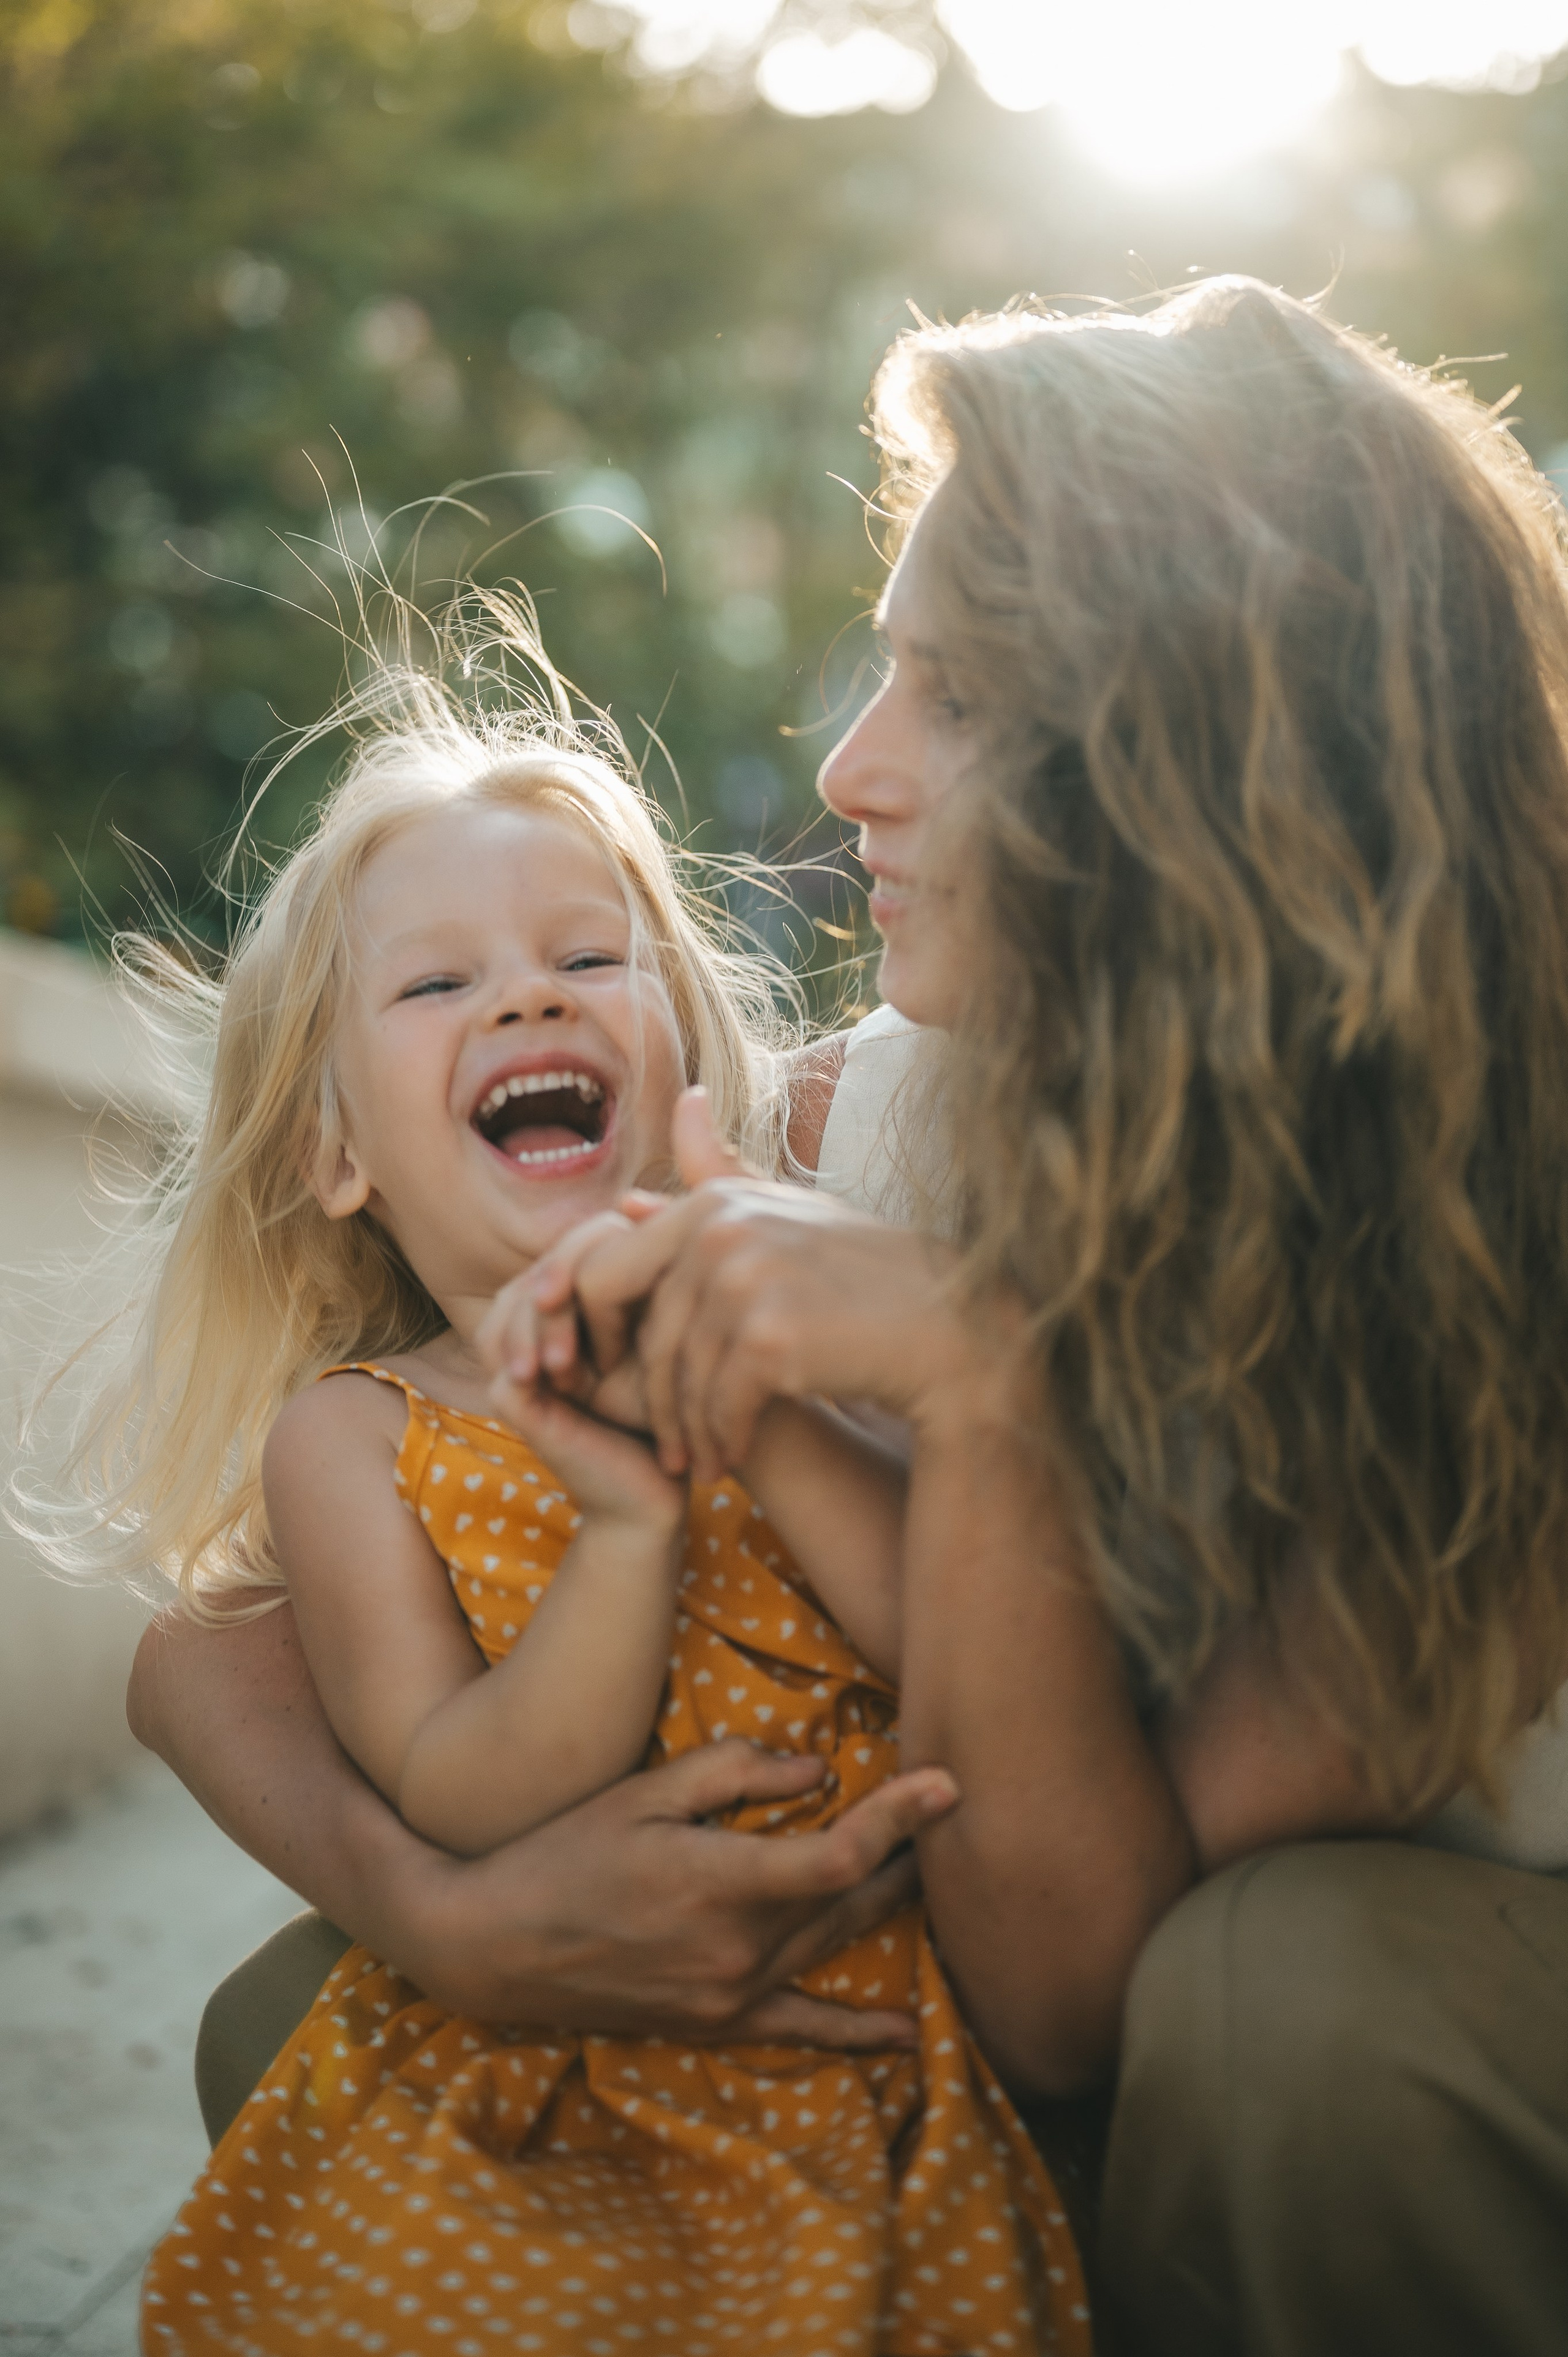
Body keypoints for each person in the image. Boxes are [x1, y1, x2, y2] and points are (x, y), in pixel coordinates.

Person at [128, 274, 1568, 2356]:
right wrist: (451, 1906)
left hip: (1360, 2031)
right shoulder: (879, 1109)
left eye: (960, 696)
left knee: (1290, 2003)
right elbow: (207, 1651)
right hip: (1032, 1996)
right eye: (880, 671)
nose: (851, 766)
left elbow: (1084, 1990)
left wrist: (983, 1388)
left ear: (1229, 752)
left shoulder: (1511, 1225)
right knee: (327, 2024)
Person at [53, 647, 1087, 2354]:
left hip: (892, 2037)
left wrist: (758, 1406)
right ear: (335, 1155)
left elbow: (952, 1651)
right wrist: (625, 1532)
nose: (529, 1001)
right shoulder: (360, 1438)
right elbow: (458, 1791)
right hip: (569, 2059)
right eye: (438, 985)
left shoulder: (807, 1316)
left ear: (683, 1046)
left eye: (588, 958)